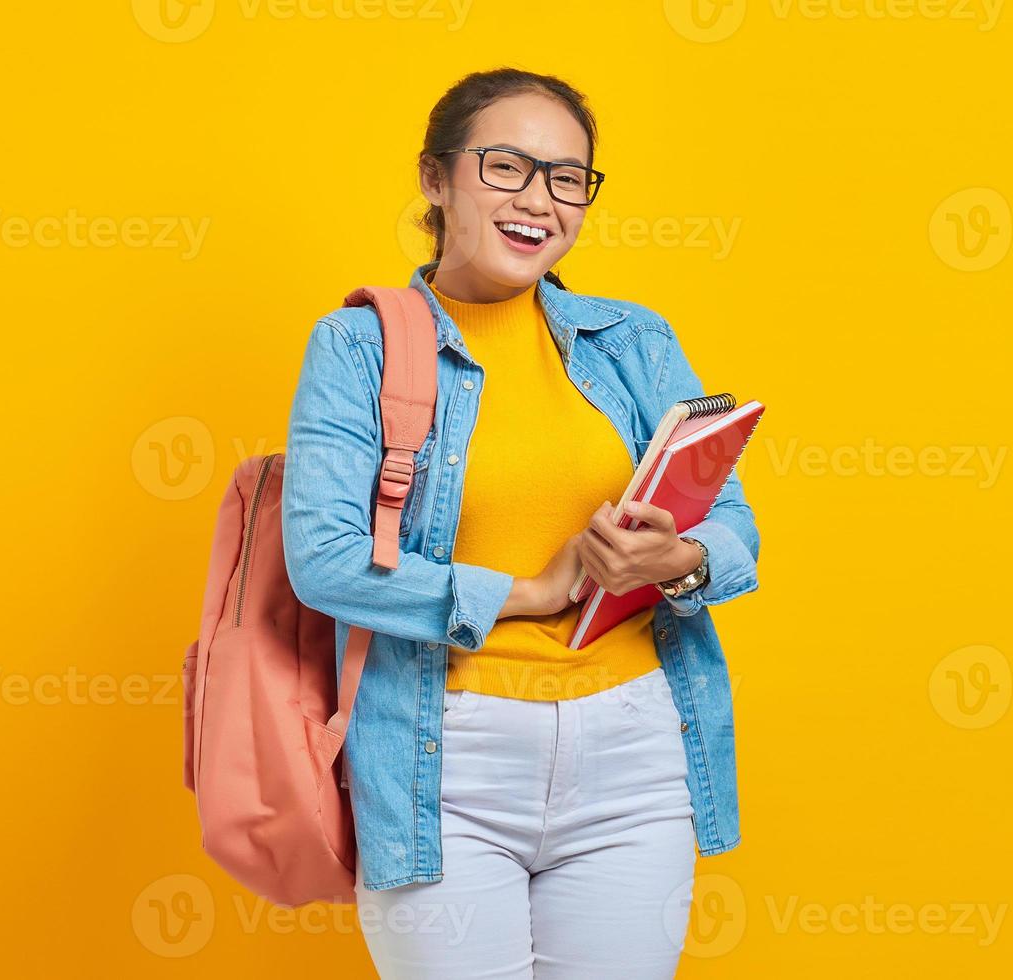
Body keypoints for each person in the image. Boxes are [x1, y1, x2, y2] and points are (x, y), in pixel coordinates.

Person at [280, 66, 761, 979]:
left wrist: (680, 558)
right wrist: (531, 591)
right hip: (445, 761)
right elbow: (326, 561)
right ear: (435, 177)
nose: (539, 200)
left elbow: (733, 523)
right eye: (506, 167)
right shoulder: (359, 348)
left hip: (635, 753)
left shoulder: (632, 341)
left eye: (567, 177)